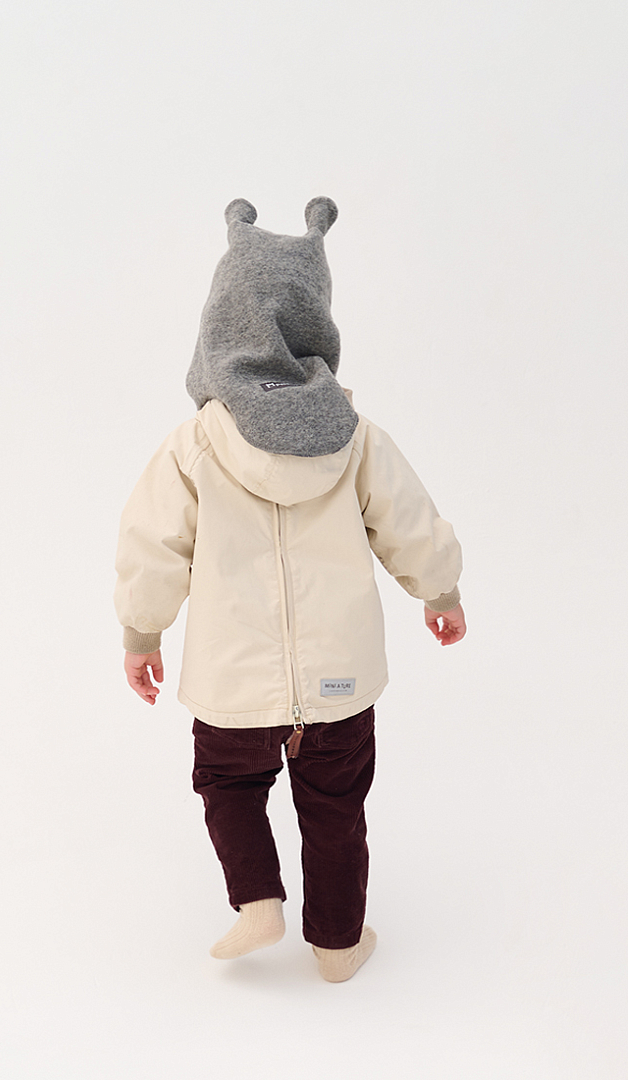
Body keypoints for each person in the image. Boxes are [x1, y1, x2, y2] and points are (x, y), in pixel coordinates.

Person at [115, 197, 465, 983]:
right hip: (341, 679)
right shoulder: (355, 435)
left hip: (231, 675)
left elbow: (152, 545)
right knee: (336, 807)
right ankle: (338, 945)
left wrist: (142, 633)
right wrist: (439, 592)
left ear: (218, 324)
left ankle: (257, 903)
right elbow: (410, 522)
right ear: (315, 322)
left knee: (226, 781)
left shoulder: (195, 444)